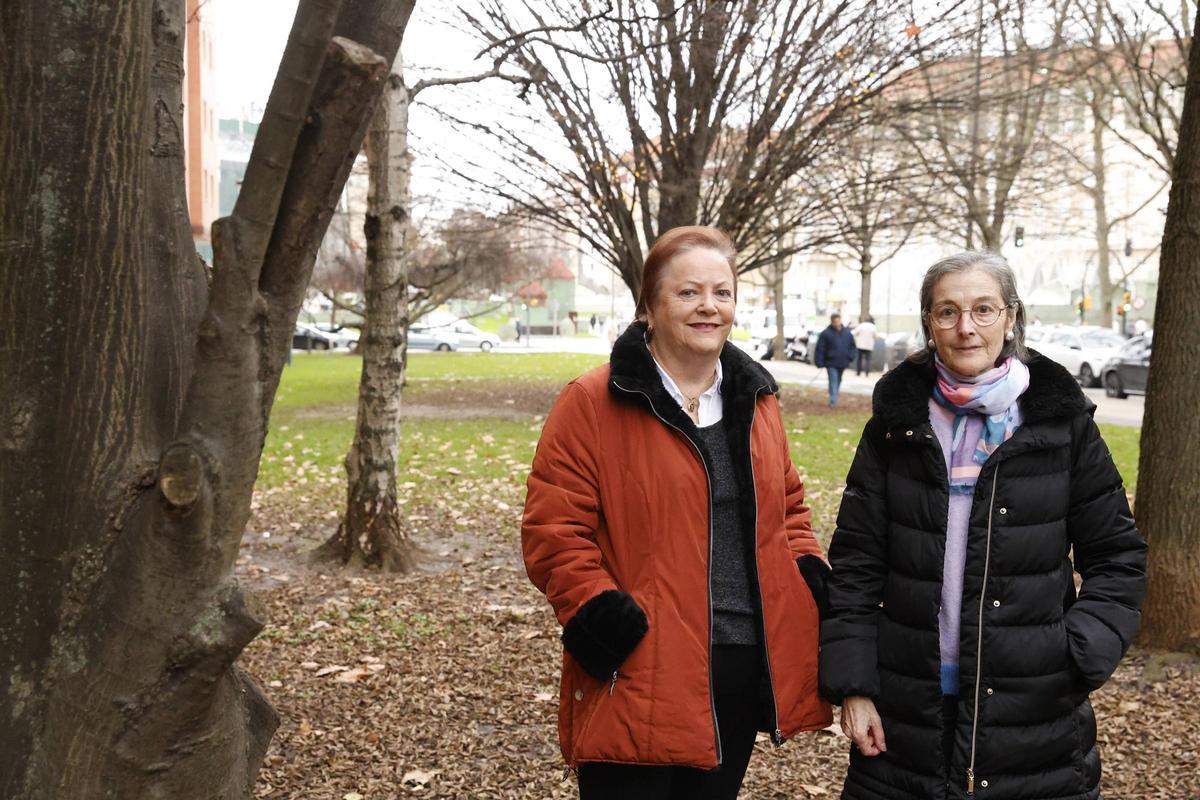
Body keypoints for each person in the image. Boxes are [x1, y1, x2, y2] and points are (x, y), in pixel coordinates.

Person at [820, 251, 1147, 800]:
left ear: (1011, 317)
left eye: (983, 309)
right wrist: (854, 687)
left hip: (1033, 710)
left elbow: (1117, 557)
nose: (966, 327)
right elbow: (855, 567)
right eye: (947, 312)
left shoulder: (1060, 426)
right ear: (929, 324)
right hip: (907, 709)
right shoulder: (895, 428)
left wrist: (1077, 654)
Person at [522, 225, 832, 800]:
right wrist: (601, 614)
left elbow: (788, 508)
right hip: (641, 665)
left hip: (740, 663)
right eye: (688, 293)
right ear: (650, 304)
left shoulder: (757, 402)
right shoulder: (593, 401)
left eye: (722, 292)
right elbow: (555, 530)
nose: (708, 307)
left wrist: (807, 575)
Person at [814, 313, 856, 406]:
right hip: (831, 362)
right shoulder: (826, 333)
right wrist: (819, 362)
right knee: (833, 380)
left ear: (840, 321)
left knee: (838, 380)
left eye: (838, 321)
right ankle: (833, 400)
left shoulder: (847, 333)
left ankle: (834, 396)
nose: (837, 324)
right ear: (832, 322)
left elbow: (852, 346)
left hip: (843, 361)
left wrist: (851, 356)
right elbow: (820, 348)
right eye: (835, 322)